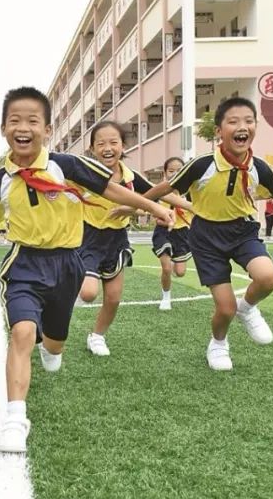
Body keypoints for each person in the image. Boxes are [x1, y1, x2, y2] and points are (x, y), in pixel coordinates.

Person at [0, 87, 172, 454]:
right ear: (4, 128)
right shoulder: (2, 179)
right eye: (15, 120)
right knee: (22, 333)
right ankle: (15, 420)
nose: (24, 127)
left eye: (33, 120)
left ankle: (52, 349)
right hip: (24, 263)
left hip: (68, 264)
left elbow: (111, 190)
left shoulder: (66, 166)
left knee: (53, 345)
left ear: (47, 129)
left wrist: (153, 206)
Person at [145, 97, 273, 372]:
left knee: (268, 278)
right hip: (206, 237)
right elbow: (166, 188)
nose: (242, 126)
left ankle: (247, 307)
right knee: (224, 309)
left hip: (243, 232)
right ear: (219, 132)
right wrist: (133, 205)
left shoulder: (259, 167)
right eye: (233, 121)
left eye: (248, 121)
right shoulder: (201, 165)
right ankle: (218, 344)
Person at [77, 122, 191, 355]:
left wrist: (194, 207)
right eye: (101, 143)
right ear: (91, 149)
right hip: (87, 237)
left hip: (116, 239)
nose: (107, 148)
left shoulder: (130, 177)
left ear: (123, 146)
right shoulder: (84, 173)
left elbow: (160, 192)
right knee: (88, 293)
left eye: (113, 142)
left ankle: (97, 336)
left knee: (114, 297)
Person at [152, 157, 193, 311]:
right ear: (164, 173)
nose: (175, 173)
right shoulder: (158, 191)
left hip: (183, 234)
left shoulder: (190, 193)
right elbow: (149, 210)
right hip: (163, 232)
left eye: (179, 170)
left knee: (180, 273)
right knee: (166, 268)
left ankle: (173, 264)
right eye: (171, 171)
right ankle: (166, 297)